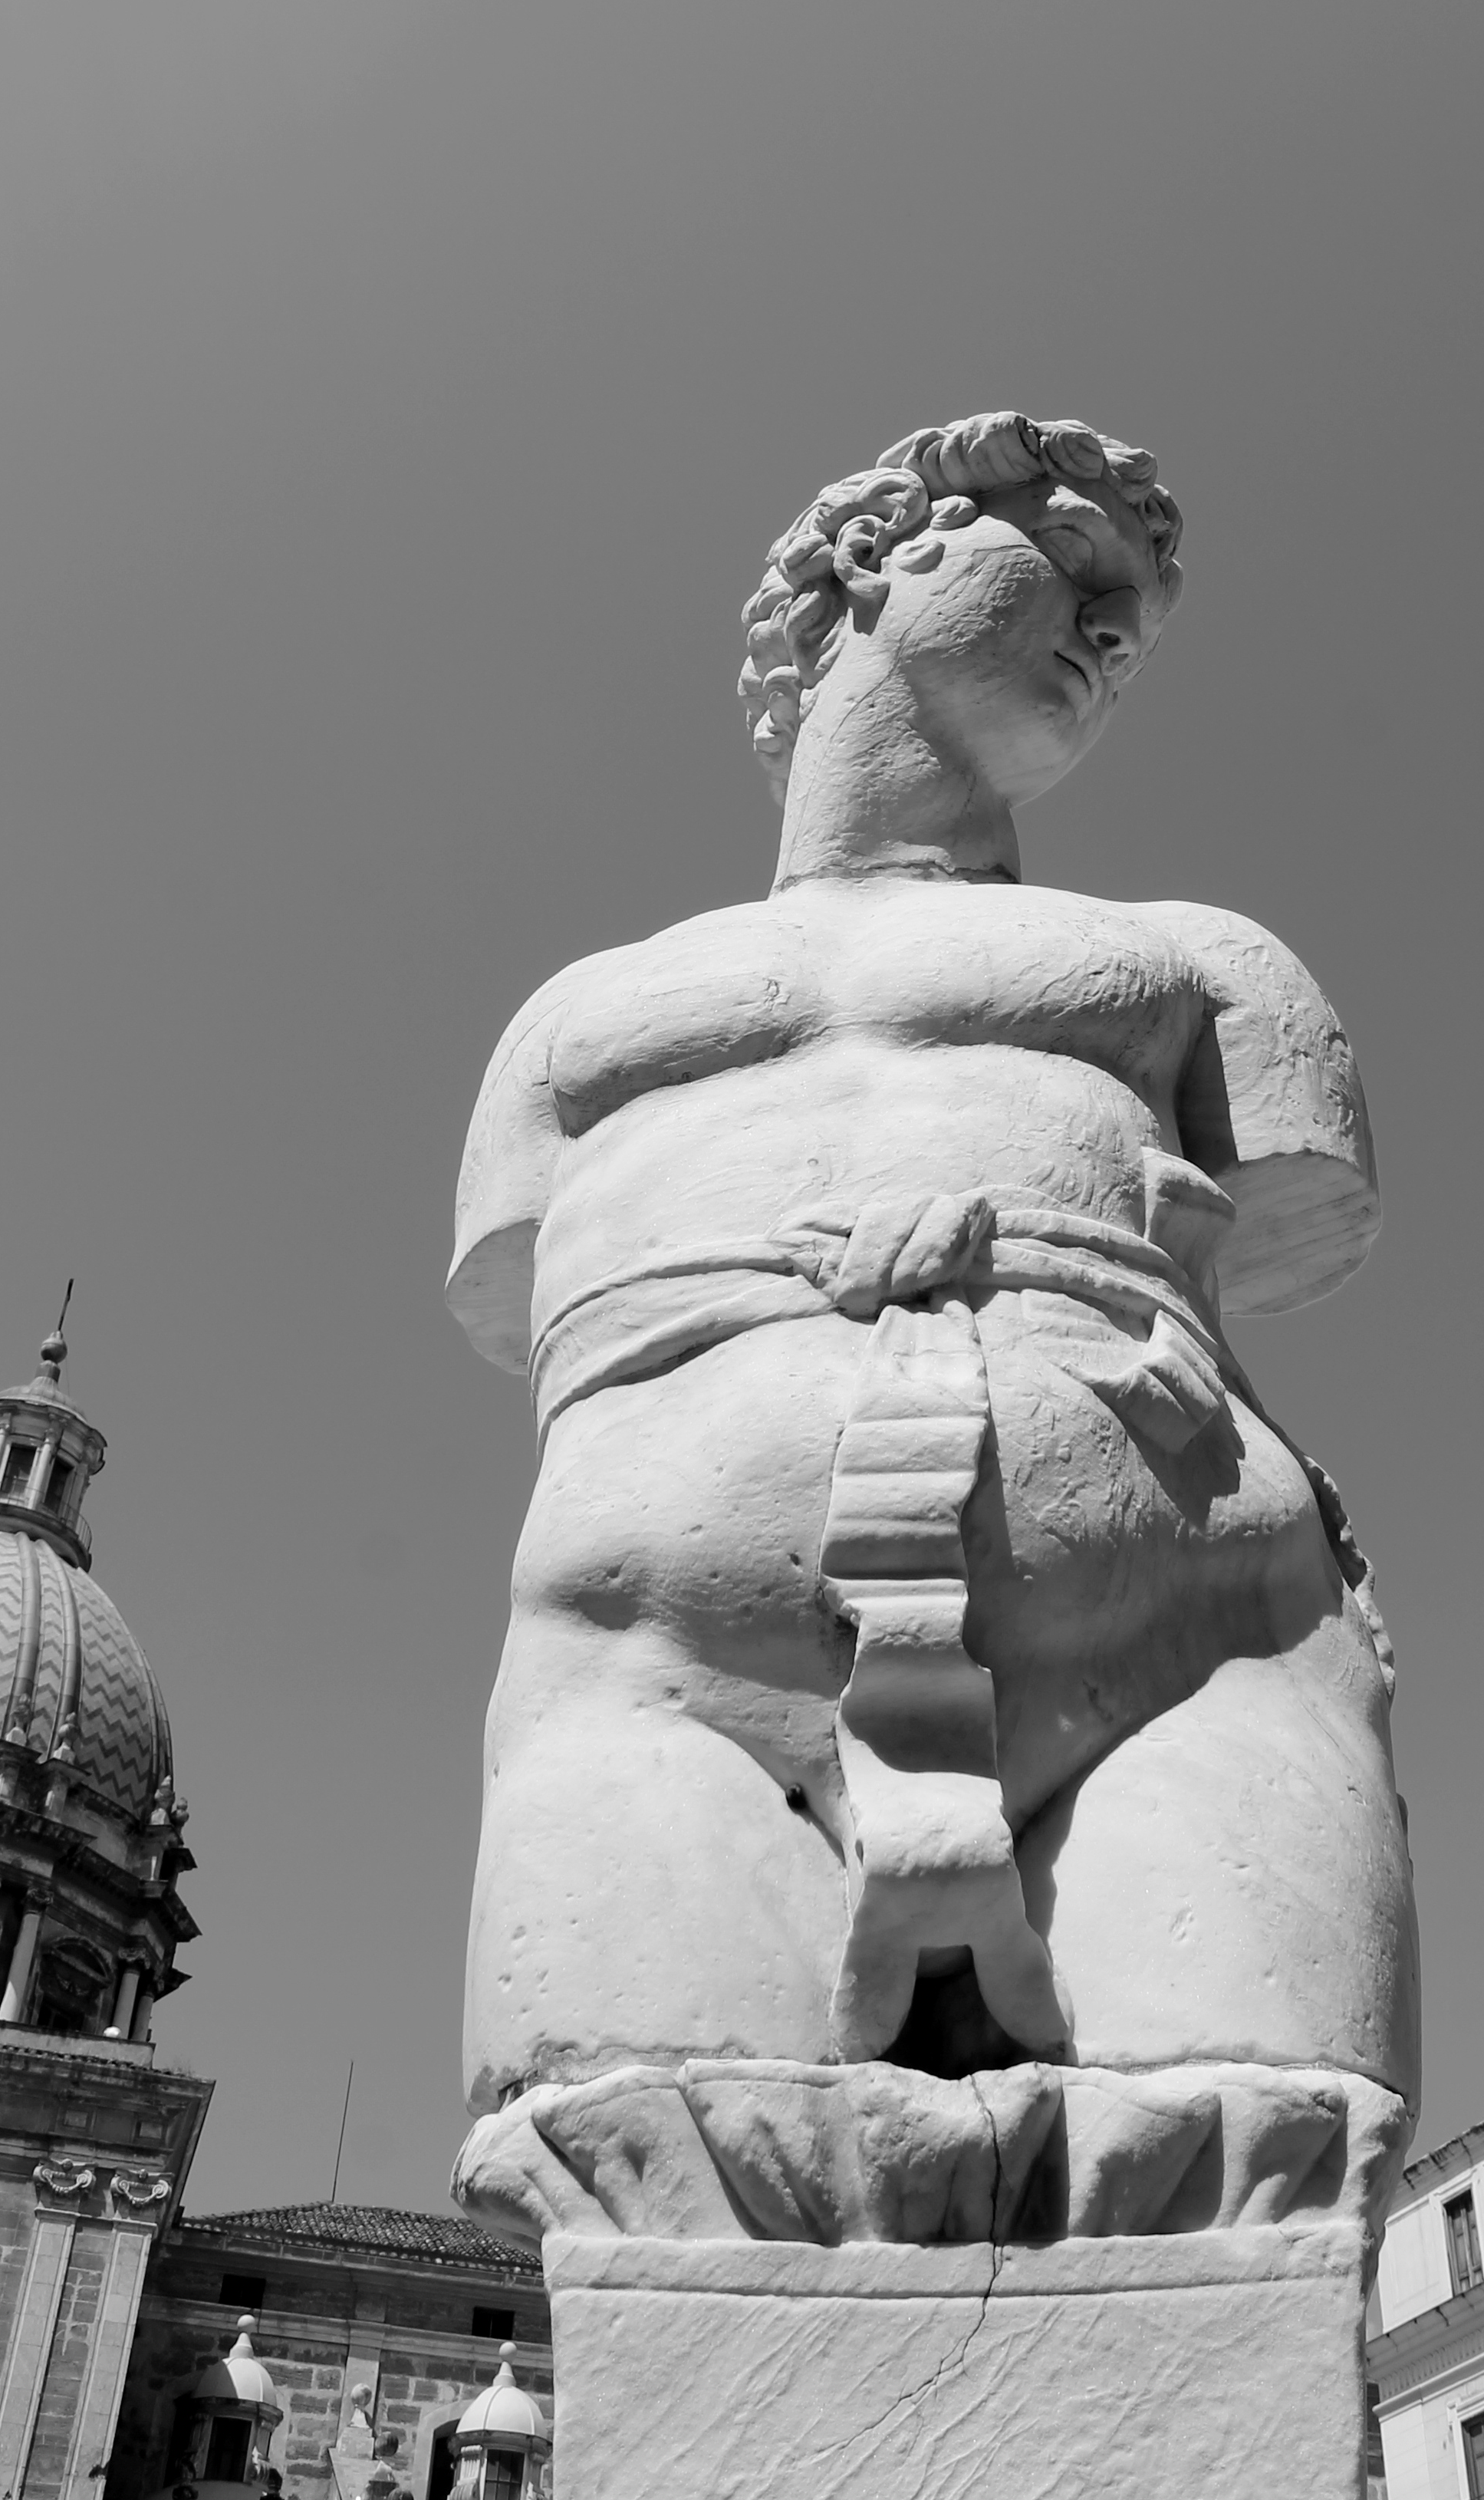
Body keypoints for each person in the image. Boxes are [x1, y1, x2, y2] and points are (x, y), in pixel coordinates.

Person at [449, 411, 1417, 2119]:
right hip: (656, 1672)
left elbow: (1295, 1204)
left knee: (1246, 2163)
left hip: (1190, 1649)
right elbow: (501, 1274)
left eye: (1139, 624)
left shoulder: (1201, 967)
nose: (1115, 633)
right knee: (644, 2171)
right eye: (1080, 558)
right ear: (877, 558)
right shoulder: (569, 1023)